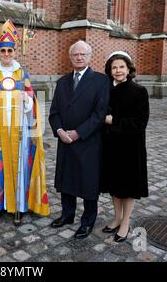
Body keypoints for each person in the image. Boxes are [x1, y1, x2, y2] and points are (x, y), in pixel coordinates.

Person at [0, 19, 49, 225]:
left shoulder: (22, 74)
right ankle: (1, 204)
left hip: (19, 129)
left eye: (10, 51)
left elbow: (33, 105)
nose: (6, 55)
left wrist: (27, 102)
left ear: (15, 51)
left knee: (20, 164)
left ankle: (19, 206)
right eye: (3, 51)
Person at [48, 40, 110, 239]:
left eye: (83, 54)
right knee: (67, 180)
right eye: (75, 54)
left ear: (90, 56)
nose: (79, 57)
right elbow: (54, 112)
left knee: (88, 184)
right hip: (64, 141)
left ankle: (88, 221)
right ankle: (67, 215)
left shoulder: (101, 81)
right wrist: (58, 130)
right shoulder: (62, 82)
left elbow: (99, 114)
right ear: (71, 57)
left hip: (88, 141)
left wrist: (78, 133)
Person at [100, 51, 149, 242]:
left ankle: (126, 221)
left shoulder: (139, 91)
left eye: (121, 67)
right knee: (114, 184)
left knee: (128, 186)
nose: (118, 70)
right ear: (109, 70)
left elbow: (140, 122)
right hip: (111, 145)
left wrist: (115, 121)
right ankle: (117, 216)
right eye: (114, 67)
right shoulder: (107, 90)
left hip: (130, 146)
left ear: (129, 69)